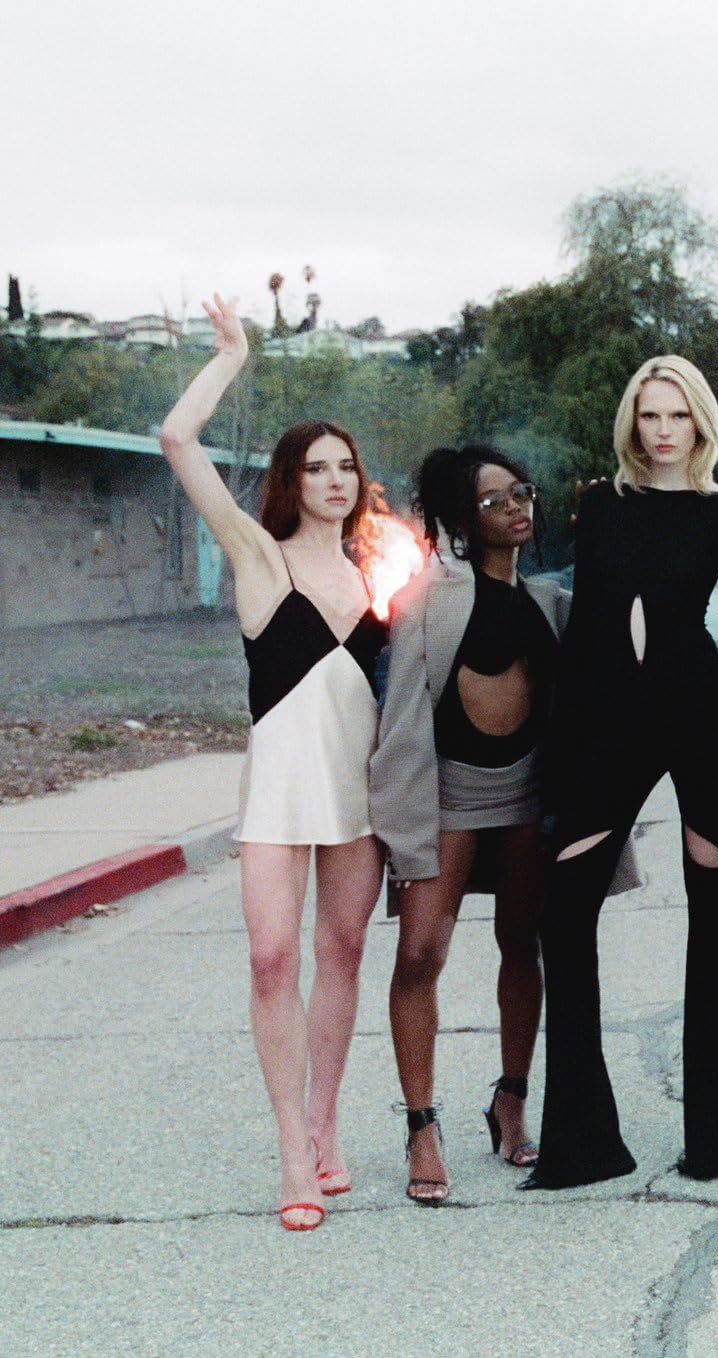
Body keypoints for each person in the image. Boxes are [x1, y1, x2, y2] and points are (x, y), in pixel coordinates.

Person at [157, 294, 385, 1232]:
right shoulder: (258, 555)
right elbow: (177, 439)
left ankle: (326, 1125)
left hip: (360, 797)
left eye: (345, 467)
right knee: (270, 958)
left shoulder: (379, 574)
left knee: (344, 952)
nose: (333, 480)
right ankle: (293, 1149)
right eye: (315, 467)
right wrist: (229, 357)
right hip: (279, 796)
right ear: (292, 481)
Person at [520, 356, 718, 1191]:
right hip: (609, 720)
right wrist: (565, 747)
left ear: (701, 425)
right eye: (650, 415)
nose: (663, 431)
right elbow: (586, 626)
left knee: (713, 910)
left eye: (678, 416)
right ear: (633, 421)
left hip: (698, 715)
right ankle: (584, 1140)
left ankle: (717, 1142)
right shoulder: (601, 505)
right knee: (564, 910)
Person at [369, 445, 638, 1205]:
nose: (516, 508)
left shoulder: (550, 602)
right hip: (449, 798)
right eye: (494, 501)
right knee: (420, 953)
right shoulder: (427, 602)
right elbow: (401, 722)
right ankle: (422, 1125)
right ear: (462, 519)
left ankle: (510, 1099)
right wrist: (401, 832)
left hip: (526, 798)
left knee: (524, 945)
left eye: (521, 493)